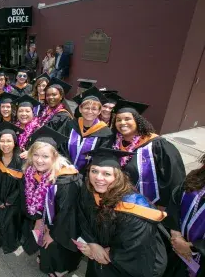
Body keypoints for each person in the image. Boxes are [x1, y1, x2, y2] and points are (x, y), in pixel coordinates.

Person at [77, 148, 167, 277]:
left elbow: (135, 247)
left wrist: (105, 254)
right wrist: (92, 243)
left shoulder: (132, 207)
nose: (98, 178)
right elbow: (83, 216)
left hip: (130, 264)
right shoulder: (89, 190)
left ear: (117, 176)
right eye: (94, 171)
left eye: (107, 174)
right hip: (100, 254)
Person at [20, 126, 82, 276]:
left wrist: (52, 234)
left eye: (45, 156)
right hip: (48, 219)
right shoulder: (31, 172)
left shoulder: (65, 180)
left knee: (55, 246)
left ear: (54, 157)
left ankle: (61, 268)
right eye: (35, 155)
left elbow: (66, 214)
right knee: (45, 244)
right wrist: (38, 220)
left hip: (64, 224)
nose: (39, 160)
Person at [112, 99, 186, 207]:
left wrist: (165, 206)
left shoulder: (157, 145)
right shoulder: (115, 143)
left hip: (148, 205)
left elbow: (174, 178)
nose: (122, 123)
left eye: (127, 119)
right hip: (118, 200)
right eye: (118, 120)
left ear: (137, 121)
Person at [0, 122, 25, 254]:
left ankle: (10, 242)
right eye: (2, 141)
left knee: (10, 222)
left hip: (13, 201)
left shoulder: (21, 161)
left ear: (15, 142)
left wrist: (10, 200)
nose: (5, 144)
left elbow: (23, 184)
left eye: (9, 141)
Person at [163, 154, 205, 277]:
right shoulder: (197, 175)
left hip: (200, 259)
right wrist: (176, 235)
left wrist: (192, 246)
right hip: (174, 245)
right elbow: (175, 201)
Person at [60, 87, 114, 174]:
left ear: (99, 111)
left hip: (88, 175)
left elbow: (101, 157)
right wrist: (68, 166)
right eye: (86, 108)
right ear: (80, 109)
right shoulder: (70, 125)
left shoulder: (106, 133)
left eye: (94, 109)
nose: (90, 111)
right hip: (65, 171)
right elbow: (61, 146)